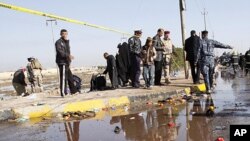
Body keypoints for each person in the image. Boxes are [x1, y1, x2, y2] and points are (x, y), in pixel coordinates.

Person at [55, 29, 78, 97]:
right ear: (60, 34)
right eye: (63, 34)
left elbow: (68, 52)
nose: (65, 35)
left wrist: (69, 59)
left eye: (66, 34)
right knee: (63, 78)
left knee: (70, 77)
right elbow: (60, 52)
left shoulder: (66, 42)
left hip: (67, 62)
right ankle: (63, 93)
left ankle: (73, 91)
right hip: (62, 62)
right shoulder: (58, 42)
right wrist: (68, 56)